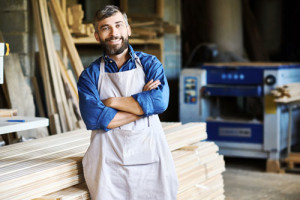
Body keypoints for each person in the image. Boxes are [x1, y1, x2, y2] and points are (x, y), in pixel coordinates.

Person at [77, 5, 178, 200]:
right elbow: (95, 118)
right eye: (105, 28)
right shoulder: (90, 76)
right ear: (97, 35)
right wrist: (143, 108)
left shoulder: (150, 64)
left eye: (118, 25)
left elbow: (159, 102)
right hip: (108, 168)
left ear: (128, 29)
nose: (114, 33)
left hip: (151, 164)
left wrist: (112, 101)